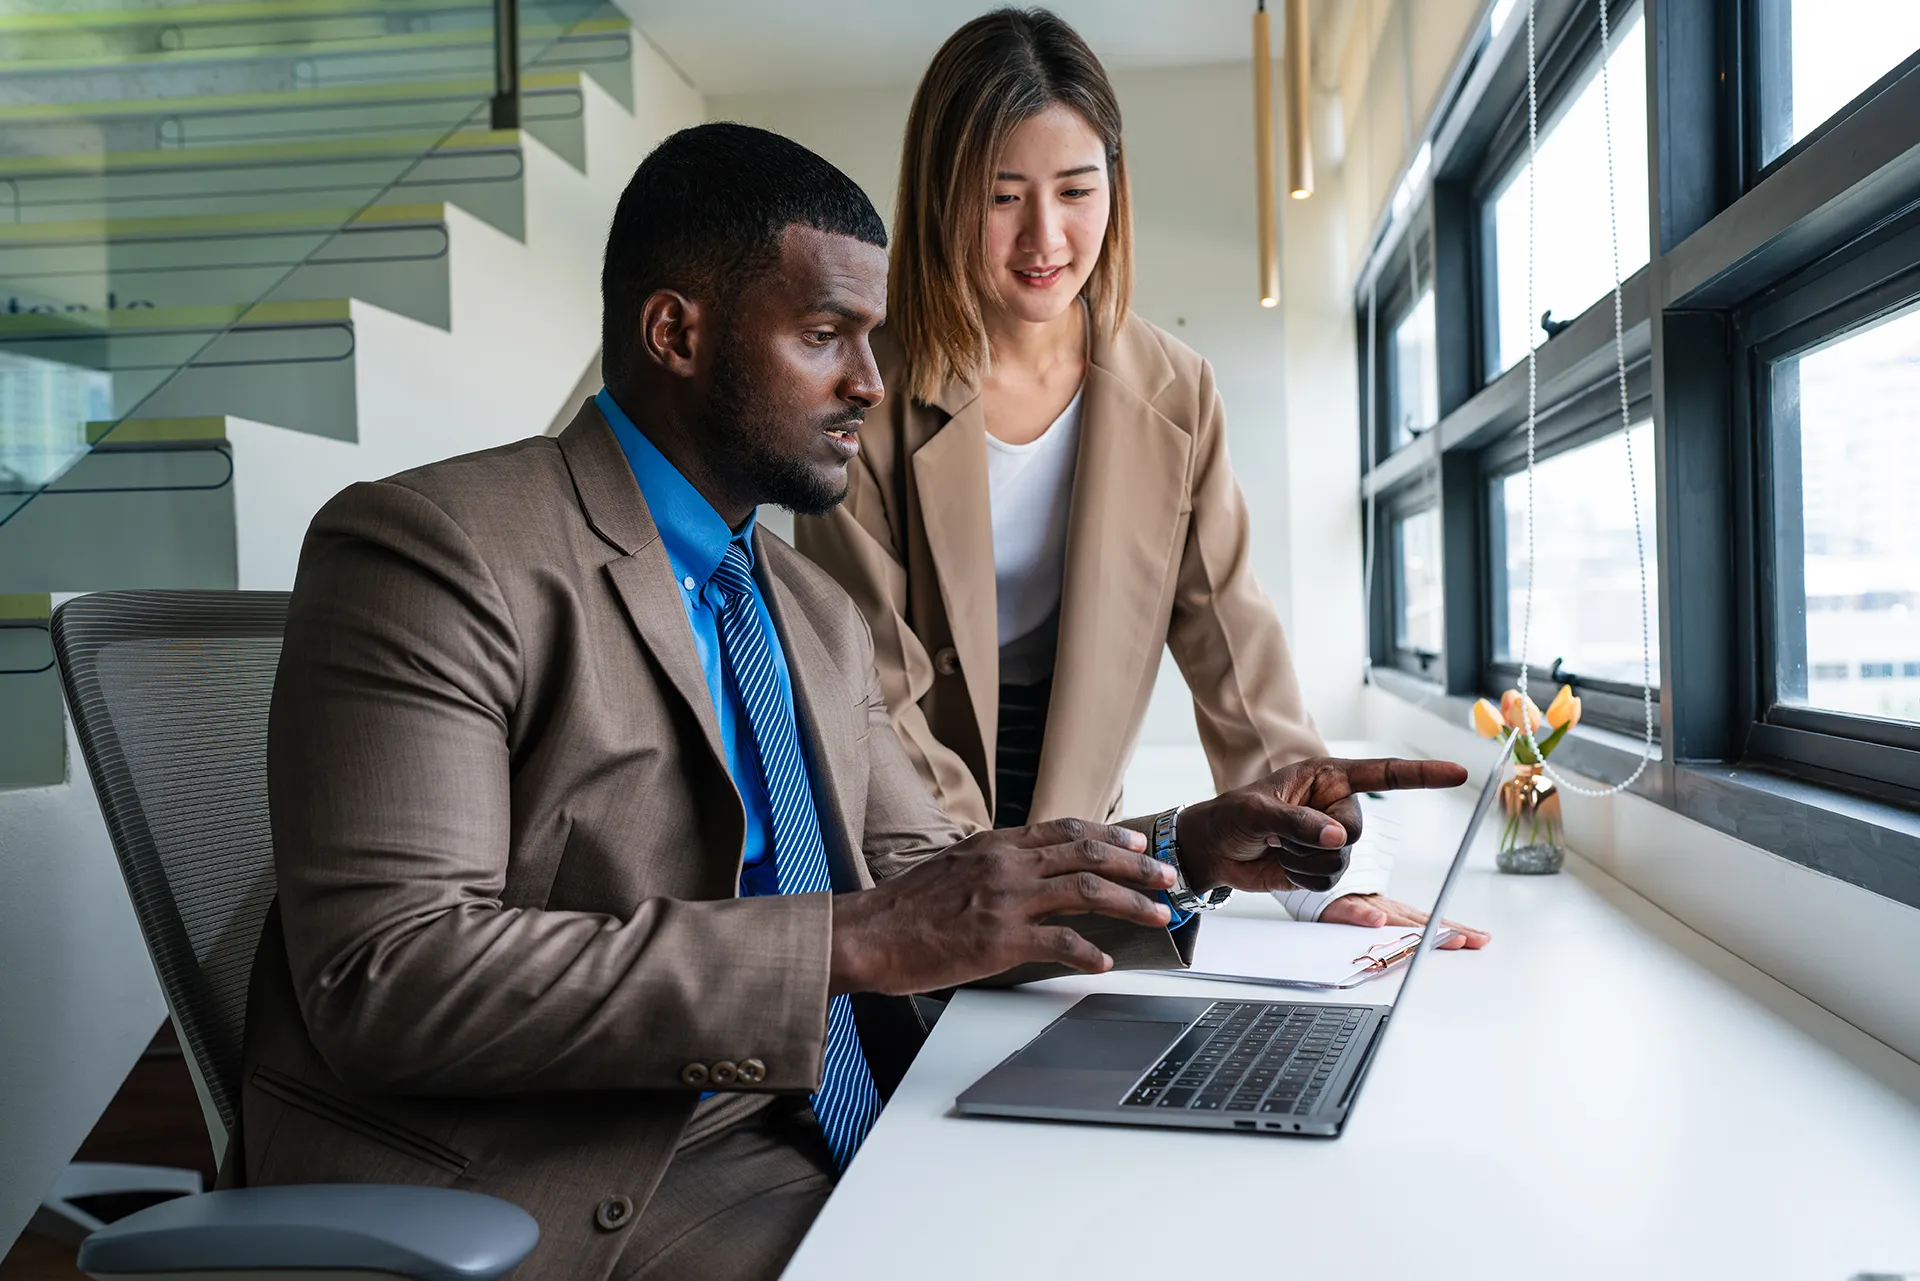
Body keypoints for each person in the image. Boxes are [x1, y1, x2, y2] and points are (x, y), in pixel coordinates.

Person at [244, 122, 1469, 1281]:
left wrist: (1184, 849)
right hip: (589, 1171)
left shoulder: (806, 609)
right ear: (676, 332)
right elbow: (390, 978)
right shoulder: (437, 550)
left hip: (841, 1109)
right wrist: (853, 941)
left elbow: (934, 876)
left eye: (873, 340)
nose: (874, 386)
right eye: (828, 335)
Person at [794, 8, 1486, 943]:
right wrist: (979, 886)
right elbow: (869, 679)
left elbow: (1232, 643)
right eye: (1002, 197)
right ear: (941, 194)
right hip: (905, 812)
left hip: (1078, 807)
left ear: (1114, 188)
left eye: (1076, 190)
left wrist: (1314, 867)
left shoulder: (1175, 390)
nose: (1045, 236)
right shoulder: (871, 388)